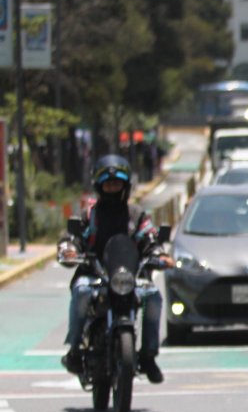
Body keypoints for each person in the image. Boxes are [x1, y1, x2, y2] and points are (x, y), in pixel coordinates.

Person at [58, 154, 170, 384]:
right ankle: (75, 349)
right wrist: (69, 249)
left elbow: (149, 237)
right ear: (99, 187)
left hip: (129, 276)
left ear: (125, 186)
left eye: (116, 184)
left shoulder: (136, 214)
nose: (112, 188)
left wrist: (158, 253)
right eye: (108, 184)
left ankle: (149, 355)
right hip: (95, 274)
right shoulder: (89, 214)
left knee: (153, 296)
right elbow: (72, 237)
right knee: (81, 291)